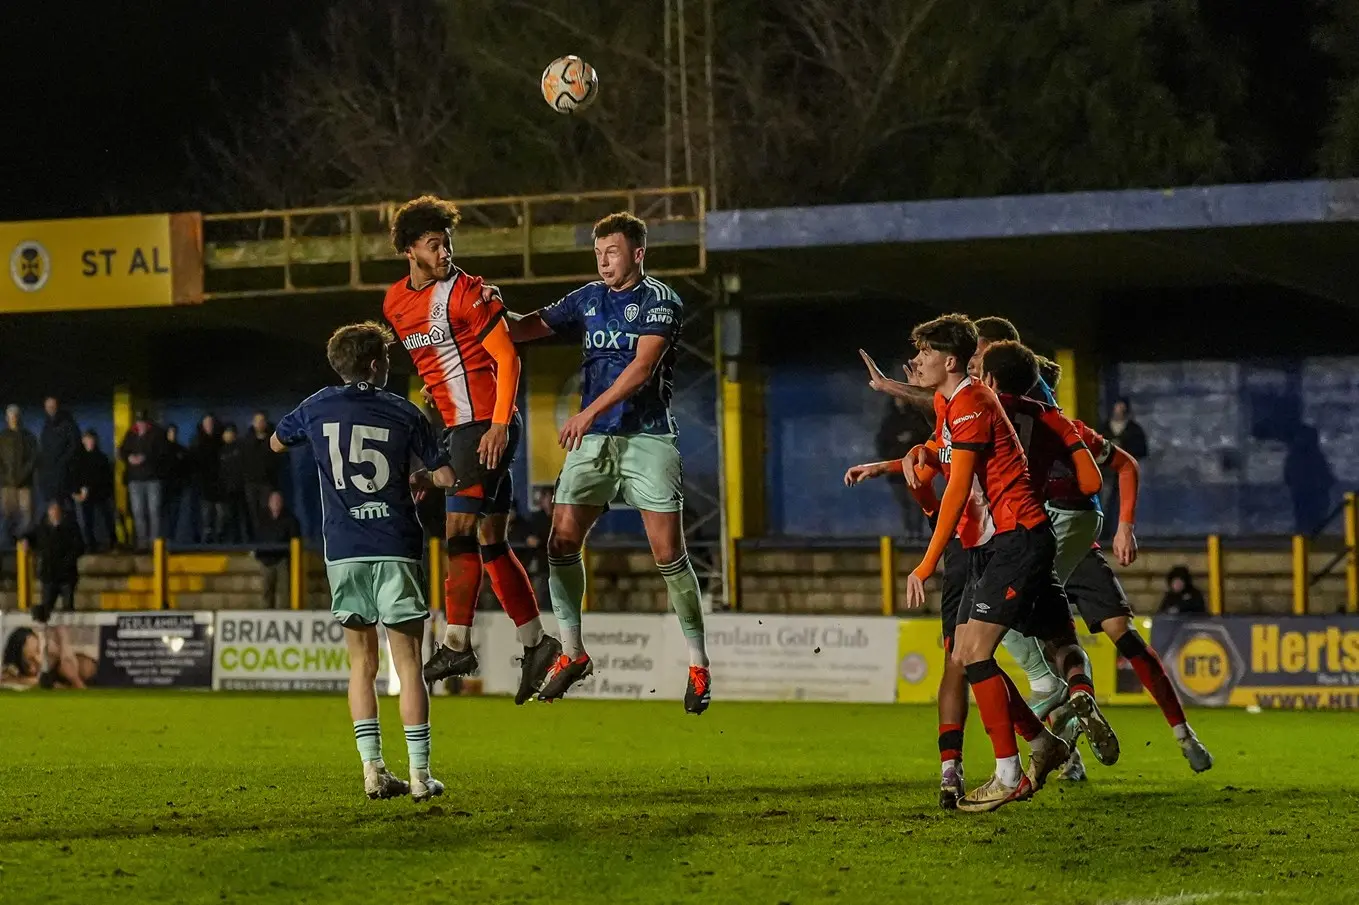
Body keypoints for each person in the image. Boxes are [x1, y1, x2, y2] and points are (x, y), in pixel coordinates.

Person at [505, 211, 711, 713]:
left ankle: (699, 664)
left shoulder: (661, 301)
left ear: (638, 253)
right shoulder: (587, 298)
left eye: (612, 251)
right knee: (560, 540)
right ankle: (573, 653)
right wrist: (480, 310)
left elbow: (641, 369)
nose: (603, 261)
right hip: (596, 439)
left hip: (647, 437)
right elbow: (525, 328)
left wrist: (587, 411)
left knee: (667, 553)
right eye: (598, 253)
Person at [892, 314, 1076, 811]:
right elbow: (941, 455)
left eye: (926, 353)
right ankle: (1042, 745)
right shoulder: (949, 401)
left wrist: (927, 562)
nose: (918, 361)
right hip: (997, 544)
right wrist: (913, 454)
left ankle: (1010, 773)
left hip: (1018, 539)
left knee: (974, 654)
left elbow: (957, 489)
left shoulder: (972, 400)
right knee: (965, 654)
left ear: (949, 361)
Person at [382, 195, 559, 705]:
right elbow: (432, 362)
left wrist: (499, 426)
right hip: (458, 429)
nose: (445, 253)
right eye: (434, 245)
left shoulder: (468, 292)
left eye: (448, 243)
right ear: (409, 251)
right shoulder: (395, 303)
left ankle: (456, 643)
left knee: (457, 532)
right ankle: (536, 643)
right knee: (491, 541)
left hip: (483, 426)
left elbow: (507, 358)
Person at [270, 320, 456, 802]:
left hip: (344, 549)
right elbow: (447, 477)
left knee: (361, 663)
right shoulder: (405, 412)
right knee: (409, 663)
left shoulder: (316, 406)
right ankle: (420, 776)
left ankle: (373, 770)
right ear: (375, 365)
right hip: (395, 542)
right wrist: (422, 476)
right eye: (388, 361)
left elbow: (275, 441)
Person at [1042, 369, 1213, 774]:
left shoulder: (1064, 431)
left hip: (1073, 550)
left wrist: (1125, 526)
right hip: (1048, 551)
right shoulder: (1010, 432)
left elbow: (1126, 464)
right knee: (1057, 655)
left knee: (1098, 645)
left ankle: (1182, 733)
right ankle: (1072, 753)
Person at [29, 500, 83, 622]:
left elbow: (79, 547)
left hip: (66, 575)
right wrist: (25, 540)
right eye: (52, 511)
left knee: (68, 609)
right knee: (46, 607)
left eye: (57, 511)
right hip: (49, 575)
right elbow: (30, 536)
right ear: (49, 512)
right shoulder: (42, 528)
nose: (54, 514)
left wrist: (68, 562)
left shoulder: (70, 528)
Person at [118, 411, 165, 551]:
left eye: (143, 422)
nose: (141, 425)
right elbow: (122, 451)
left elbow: (162, 453)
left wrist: (145, 458)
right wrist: (129, 458)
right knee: (138, 512)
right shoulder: (131, 434)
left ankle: (155, 544)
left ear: (148, 422)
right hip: (135, 479)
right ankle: (143, 544)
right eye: (138, 422)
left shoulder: (157, 434)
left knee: (154, 511)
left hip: (152, 479)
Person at [68, 430, 117, 552]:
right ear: (83, 441)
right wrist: (75, 492)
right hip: (82, 496)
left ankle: (111, 541)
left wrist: (88, 489)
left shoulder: (101, 458)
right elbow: (73, 476)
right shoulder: (77, 459)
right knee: (84, 521)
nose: (90, 442)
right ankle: (89, 544)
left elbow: (105, 479)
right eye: (87, 439)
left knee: (106, 517)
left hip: (100, 494)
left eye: (92, 439)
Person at [0, 404, 38, 546]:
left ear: (19, 417)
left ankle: (23, 540)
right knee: (7, 515)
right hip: (7, 484)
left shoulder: (28, 437)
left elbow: (33, 459)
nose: (13, 419)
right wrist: (6, 477)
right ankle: (8, 545)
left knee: (27, 515)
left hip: (25, 484)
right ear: (6, 418)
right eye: (10, 416)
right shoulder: (2, 438)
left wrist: (23, 475)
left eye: (15, 416)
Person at [254, 491, 300, 609]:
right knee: (266, 590)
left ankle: (285, 613)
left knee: (284, 590)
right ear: (269, 503)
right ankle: (266, 613)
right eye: (274, 501)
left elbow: (295, 536)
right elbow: (257, 536)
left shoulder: (289, 518)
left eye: (278, 501)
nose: (276, 503)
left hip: (282, 559)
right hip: (266, 559)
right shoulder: (261, 518)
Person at [37, 396, 80, 512]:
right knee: (53, 510)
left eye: (52, 406)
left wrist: (63, 462)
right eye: (48, 407)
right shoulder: (46, 425)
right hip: (49, 477)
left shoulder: (68, 424)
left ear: (57, 407)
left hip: (65, 476)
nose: (50, 409)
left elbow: (74, 447)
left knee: (68, 510)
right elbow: (44, 450)